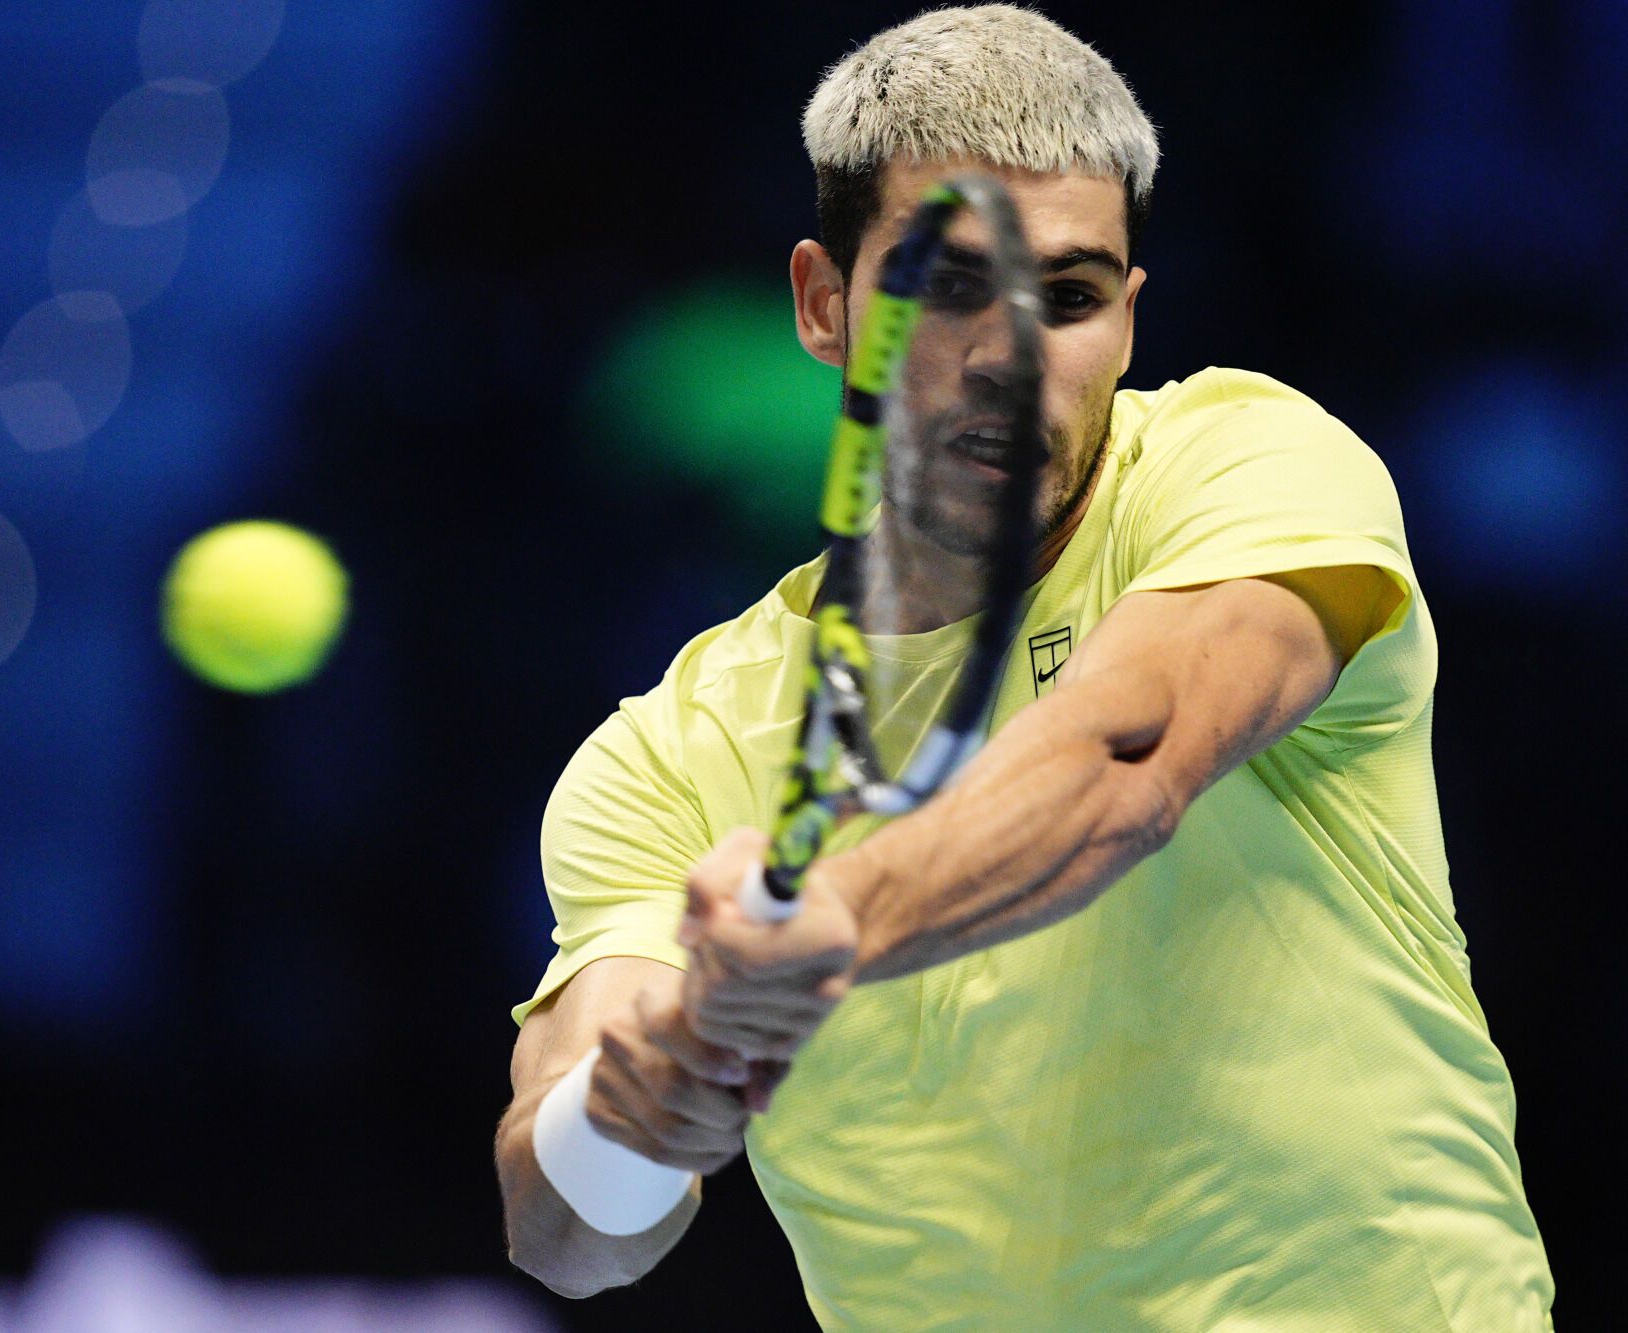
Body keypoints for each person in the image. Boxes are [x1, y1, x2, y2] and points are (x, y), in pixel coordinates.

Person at [493, 6, 1555, 1327]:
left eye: (1069, 295)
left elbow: (1130, 760)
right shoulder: (668, 755)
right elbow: (570, 1238)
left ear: (1127, 314)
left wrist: (840, 923)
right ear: (825, 306)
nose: (1011, 357)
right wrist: (632, 1106)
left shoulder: (1251, 465)